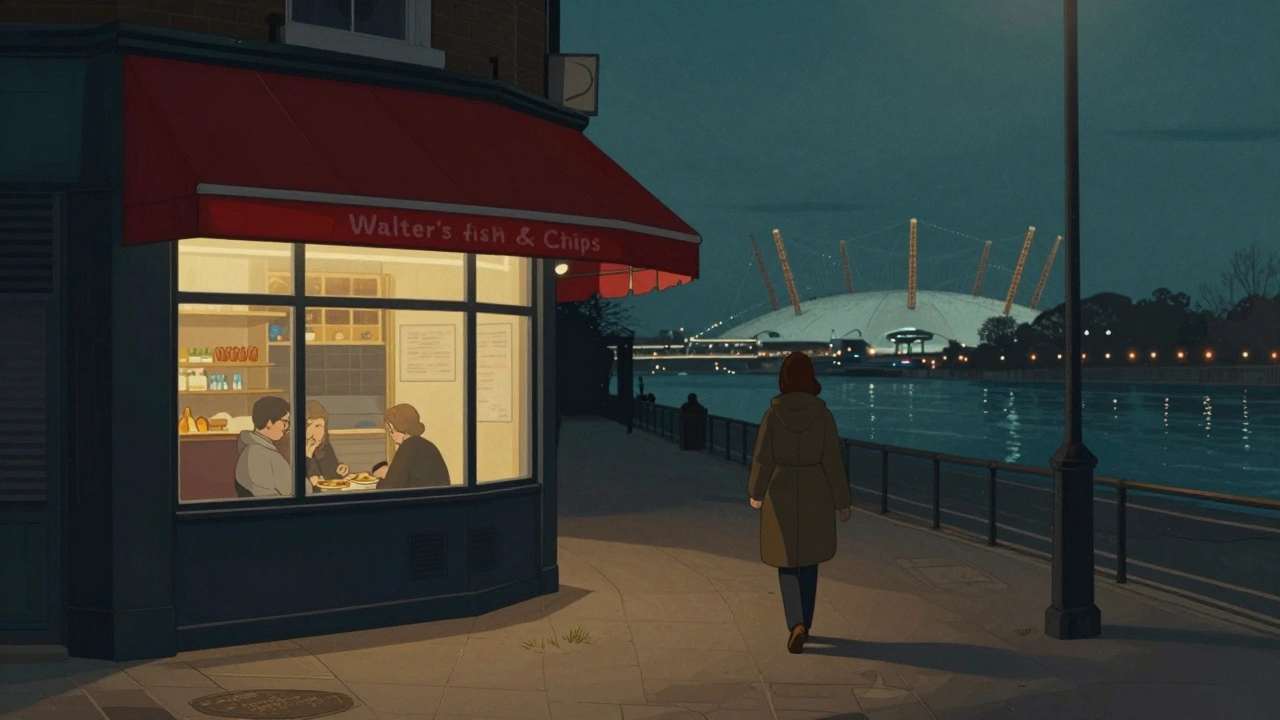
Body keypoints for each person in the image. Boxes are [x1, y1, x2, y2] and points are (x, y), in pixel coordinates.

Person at [747, 351, 852, 654]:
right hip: (814, 488)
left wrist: (756, 491)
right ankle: (806, 621)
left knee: (786, 560)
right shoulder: (823, 416)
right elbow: (833, 461)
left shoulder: (772, 415)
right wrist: (842, 500)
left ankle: (796, 623)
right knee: (809, 559)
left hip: (780, 489)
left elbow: (762, 457)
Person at [376, 404, 450, 489]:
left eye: (389, 430)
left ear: (392, 427)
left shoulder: (406, 448)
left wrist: (380, 479)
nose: (390, 435)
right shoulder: (428, 446)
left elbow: (390, 488)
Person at [235, 396, 292, 497]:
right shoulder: (256, 453)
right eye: (285, 422)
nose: (287, 427)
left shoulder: (263, 448)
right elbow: (266, 497)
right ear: (269, 423)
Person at [304, 400, 350, 490]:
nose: (321, 431)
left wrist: (339, 470)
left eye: (323, 426)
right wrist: (308, 454)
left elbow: (331, 477)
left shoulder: (324, 443)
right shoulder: (293, 446)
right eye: (317, 426)